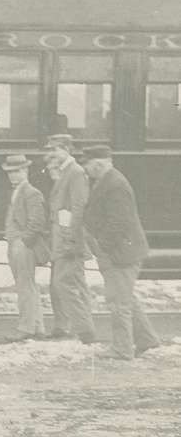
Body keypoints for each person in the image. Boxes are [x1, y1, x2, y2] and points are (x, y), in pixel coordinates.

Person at [80, 145, 161, 359]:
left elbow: (119, 222)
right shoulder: (108, 181)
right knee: (126, 299)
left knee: (118, 302)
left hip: (121, 253)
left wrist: (102, 247)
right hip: (120, 251)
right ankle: (147, 339)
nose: (85, 170)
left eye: (87, 165)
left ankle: (122, 349)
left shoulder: (115, 184)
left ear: (98, 164)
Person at [43, 134, 96, 342]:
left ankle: (84, 330)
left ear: (66, 148)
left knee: (64, 283)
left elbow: (78, 208)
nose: (51, 154)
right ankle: (76, 327)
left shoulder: (75, 172)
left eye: (54, 149)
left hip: (68, 239)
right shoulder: (67, 172)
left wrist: (71, 240)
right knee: (75, 282)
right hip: (62, 238)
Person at [0, 154, 49, 341]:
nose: (12, 175)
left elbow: (37, 222)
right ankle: (37, 327)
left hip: (22, 245)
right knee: (28, 285)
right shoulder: (20, 191)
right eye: (9, 172)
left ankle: (26, 328)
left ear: (26, 170)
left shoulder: (31, 193)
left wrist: (23, 241)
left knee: (24, 286)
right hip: (16, 243)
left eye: (17, 171)